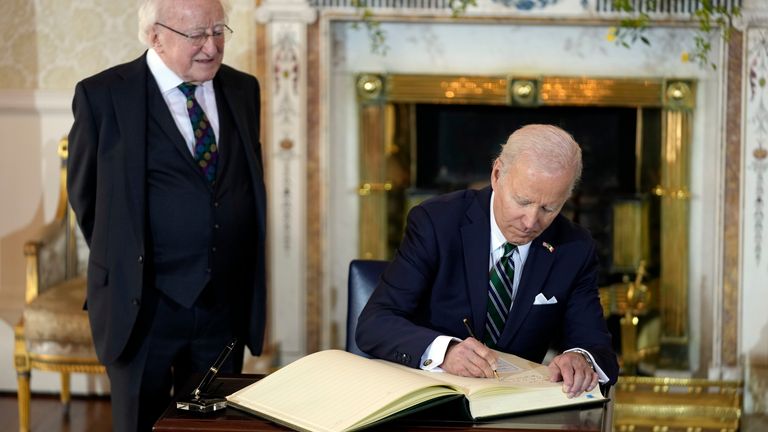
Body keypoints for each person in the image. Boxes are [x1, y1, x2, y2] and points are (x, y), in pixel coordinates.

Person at [66, 0, 266, 430]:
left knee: (216, 426)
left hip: (223, 305)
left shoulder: (243, 90)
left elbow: (243, 186)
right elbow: (86, 198)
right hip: (143, 308)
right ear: (155, 36)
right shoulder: (102, 96)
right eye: (196, 35)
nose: (211, 47)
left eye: (218, 32)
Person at [356, 124, 619, 397]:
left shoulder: (574, 247)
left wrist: (581, 359)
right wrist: (445, 352)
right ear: (496, 175)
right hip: (431, 399)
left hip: (514, 406)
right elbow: (375, 323)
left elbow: (596, 347)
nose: (531, 221)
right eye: (522, 201)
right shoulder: (436, 222)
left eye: (548, 208)